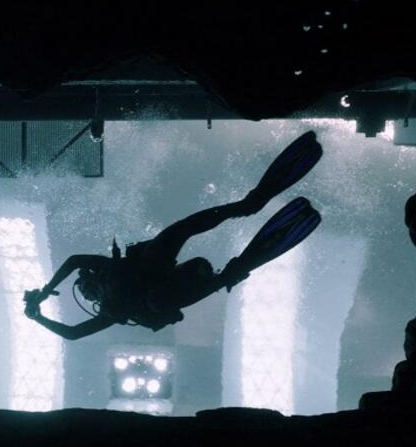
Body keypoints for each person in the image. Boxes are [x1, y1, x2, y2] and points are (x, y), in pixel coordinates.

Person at [23, 130, 323, 340]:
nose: (87, 292)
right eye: (86, 293)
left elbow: (75, 262)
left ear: (88, 282)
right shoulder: (112, 310)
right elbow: (73, 334)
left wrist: (47, 292)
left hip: (158, 264)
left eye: (84, 287)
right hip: (169, 285)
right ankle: (234, 262)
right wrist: (41, 313)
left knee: (182, 231)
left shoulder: (105, 277)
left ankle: (247, 207)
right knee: (164, 287)